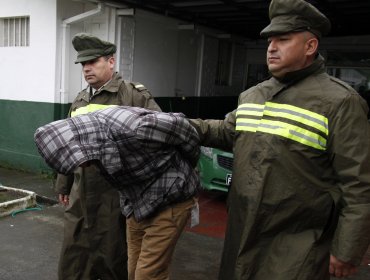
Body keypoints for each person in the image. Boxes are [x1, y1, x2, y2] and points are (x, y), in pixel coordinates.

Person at [189, 0, 370, 279]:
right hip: (243, 233)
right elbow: (226, 132)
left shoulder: (340, 102)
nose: (272, 47)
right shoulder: (253, 95)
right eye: (270, 40)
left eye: (283, 39)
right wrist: (172, 124)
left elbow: (359, 184)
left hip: (297, 244)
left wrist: (347, 249)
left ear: (310, 46)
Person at [36, 106, 200, 280]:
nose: (81, 166)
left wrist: (186, 167)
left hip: (171, 198)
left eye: (78, 159)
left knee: (148, 274)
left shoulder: (136, 128)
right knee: (132, 270)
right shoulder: (90, 137)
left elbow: (184, 130)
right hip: (136, 204)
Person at [55, 33, 161, 280]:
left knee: (115, 260)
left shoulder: (134, 96)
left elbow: (161, 138)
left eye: (93, 61)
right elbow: (69, 144)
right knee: (75, 260)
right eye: (83, 64)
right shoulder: (80, 100)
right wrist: (64, 182)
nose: (87, 68)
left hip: (117, 198)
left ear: (111, 62)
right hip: (80, 197)